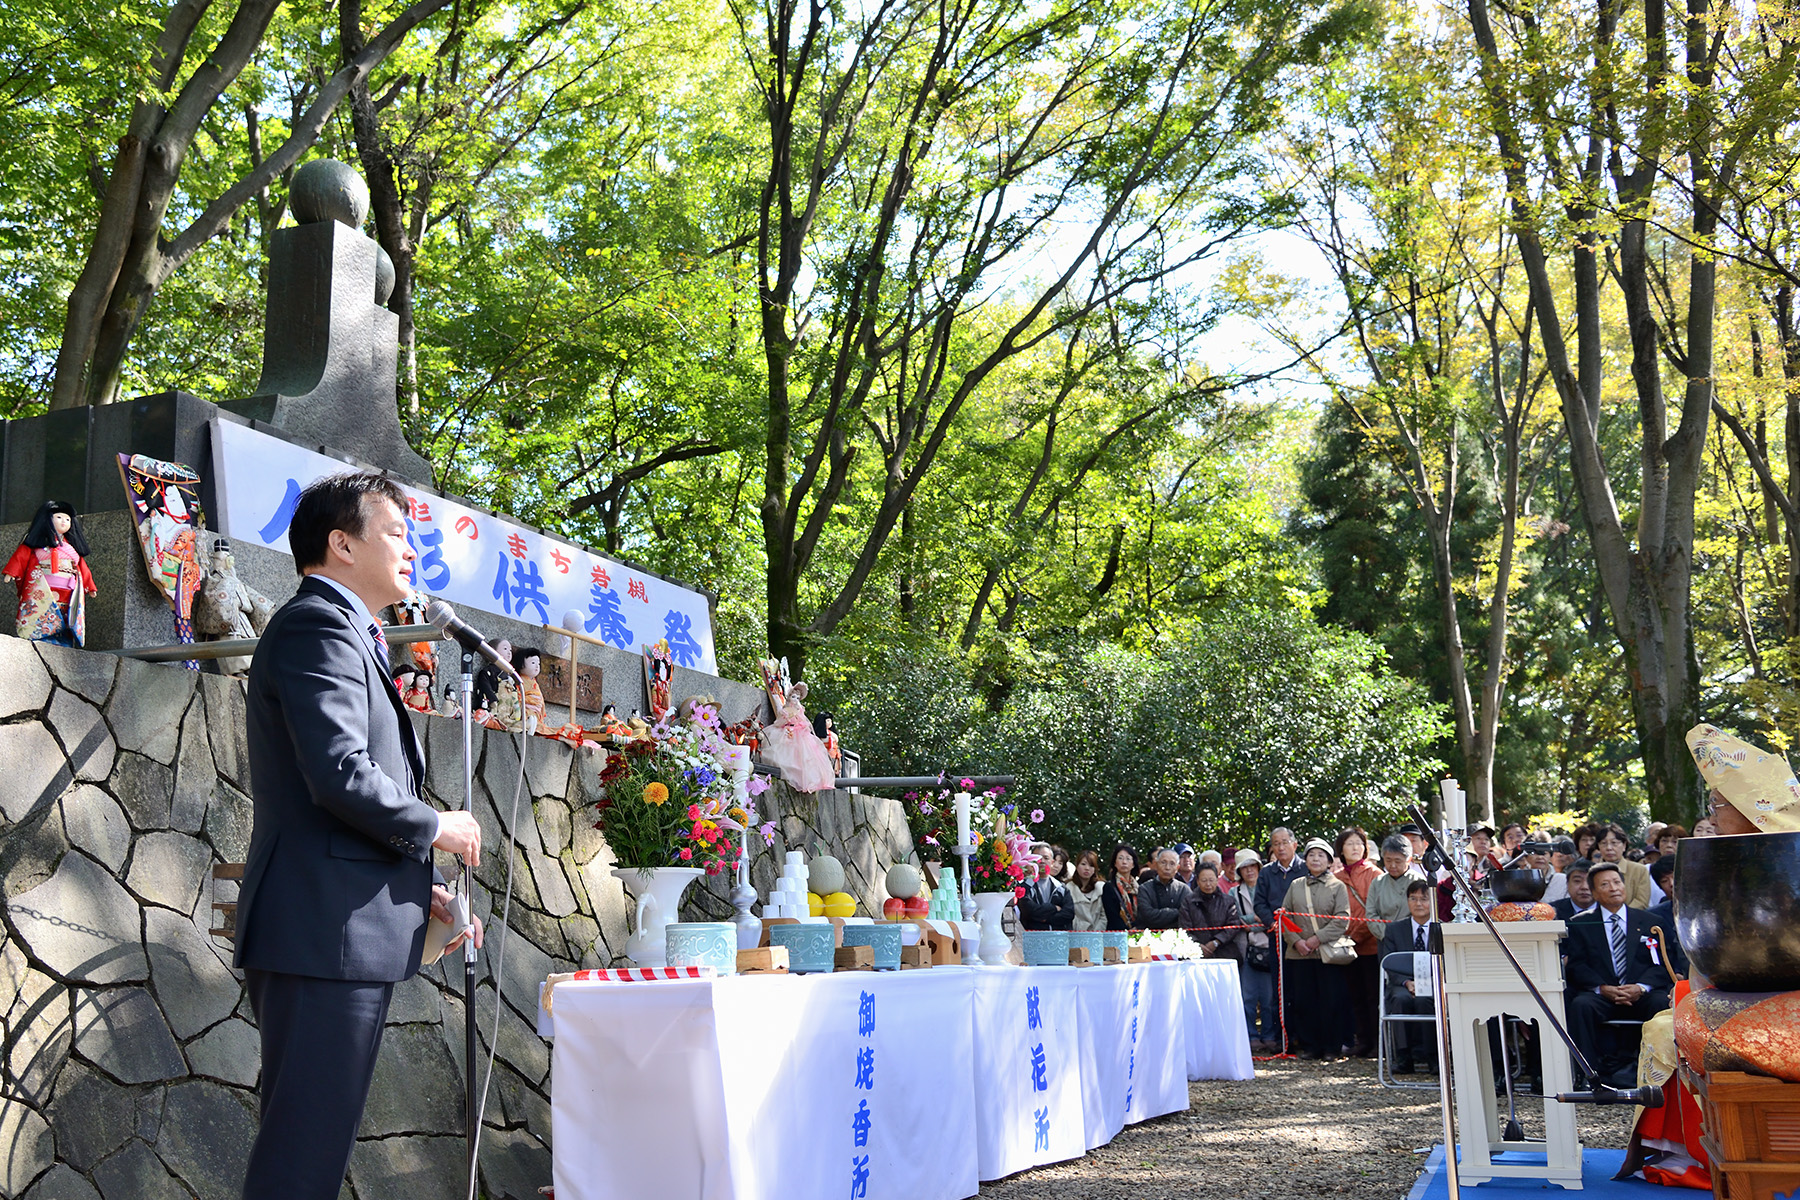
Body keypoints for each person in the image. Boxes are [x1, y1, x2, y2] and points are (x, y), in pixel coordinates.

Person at [235, 473, 483, 1200]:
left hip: (338, 927)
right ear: (341, 545)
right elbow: (340, 773)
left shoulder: (353, 631)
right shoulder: (317, 624)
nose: (412, 548)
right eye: (396, 533)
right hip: (321, 933)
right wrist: (436, 825)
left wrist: (417, 884)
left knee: (313, 1148)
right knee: (301, 1157)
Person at [1564, 862, 1672, 1085]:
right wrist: (1602, 988)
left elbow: (1663, 964)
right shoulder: (1581, 924)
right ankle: (1588, 1075)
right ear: (1594, 893)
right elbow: (1577, 966)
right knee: (1581, 1006)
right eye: (1604, 884)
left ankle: (1660, 1074)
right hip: (1603, 993)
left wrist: (1641, 987)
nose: (1613, 888)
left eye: (1617, 882)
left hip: (1641, 992)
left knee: (1662, 1002)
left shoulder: (1651, 922)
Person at [1281, 838, 1353, 1060]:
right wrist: (1297, 941)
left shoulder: (1338, 886)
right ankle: (1310, 1045)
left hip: (1327, 953)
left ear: (1330, 861)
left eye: (1321, 855)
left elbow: (1342, 919)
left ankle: (1332, 1047)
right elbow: (1284, 916)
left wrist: (1316, 939)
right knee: (1304, 1000)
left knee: (1330, 999)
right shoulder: (1295, 885)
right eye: (1312, 855)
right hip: (1299, 953)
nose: (1315, 859)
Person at [4, 500, 98, 647]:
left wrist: (90, 586)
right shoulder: (37, 542)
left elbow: (82, 568)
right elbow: (21, 557)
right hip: (44, 587)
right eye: (59, 517)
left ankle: (64, 641)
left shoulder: (71, 546)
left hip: (68, 590)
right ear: (48, 519)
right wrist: (11, 572)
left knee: (66, 616)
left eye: (67, 519)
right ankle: (40, 638)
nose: (64, 522)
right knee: (43, 610)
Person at [1378, 879, 1440, 1074]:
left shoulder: (1442, 929)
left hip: (1433, 982)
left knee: (1426, 1001)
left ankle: (1434, 1057)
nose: (1418, 903)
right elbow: (1388, 963)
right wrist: (1407, 982)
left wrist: (1428, 982)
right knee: (1399, 1000)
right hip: (1402, 984)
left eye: (1424, 899)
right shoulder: (1395, 929)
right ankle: (1403, 1057)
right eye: (1413, 898)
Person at [1335, 826, 1381, 1058]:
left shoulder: (1374, 874)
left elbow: (1374, 910)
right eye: (1350, 843)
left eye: (1359, 843)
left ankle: (1377, 1042)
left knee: (1374, 995)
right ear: (1341, 849)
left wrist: (1356, 935)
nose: (1355, 847)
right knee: (1354, 995)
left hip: (1370, 944)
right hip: (1344, 946)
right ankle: (1362, 1041)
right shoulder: (1336, 878)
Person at [1231, 850, 1278, 1052]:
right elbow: (1237, 920)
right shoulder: (1234, 893)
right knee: (1248, 996)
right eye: (1244, 867)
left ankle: (1269, 1034)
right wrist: (1259, 920)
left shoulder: (1268, 887)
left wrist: (1255, 920)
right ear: (1239, 871)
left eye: (1252, 866)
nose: (1249, 871)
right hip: (1247, 949)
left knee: (1269, 998)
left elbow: (1272, 917)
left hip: (1270, 946)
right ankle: (1250, 1035)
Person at [1180, 863, 1243, 961]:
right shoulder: (1188, 902)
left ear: (1217, 880)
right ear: (1198, 881)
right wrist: (1197, 945)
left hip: (1224, 952)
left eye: (1211, 880)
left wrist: (1217, 941)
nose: (1208, 884)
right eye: (1204, 880)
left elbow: (1233, 925)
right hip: (1195, 954)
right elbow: (1184, 929)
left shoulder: (1228, 901)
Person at [1364, 834, 1415, 941]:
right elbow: (1371, 914)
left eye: (1397, 861)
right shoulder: (1377, 882)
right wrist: (1386, 934)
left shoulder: (1418, 882)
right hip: (1384, 938)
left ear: (1408, 859)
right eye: (1388, 860)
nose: (1392, 865)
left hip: (1411, 938)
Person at [1643, 857, 1688, 979]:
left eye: (1675, 876)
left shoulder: (1710, 911)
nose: (1671, 884)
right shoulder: (1653, 916)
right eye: (1664, 881)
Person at [1595, 823, 1653, 909]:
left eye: (1614, 843)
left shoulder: (1639, 870)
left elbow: (1641, 901)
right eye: (1603, 843)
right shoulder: (1591, 871)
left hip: (1631, 919)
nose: (1609, 848)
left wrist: (1621, 915)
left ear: (1624, 846)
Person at [1019, 843, 1074, 930]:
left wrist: (1045, 919)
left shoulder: (1061, 888)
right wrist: (1054, 908)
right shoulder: (1025, 887)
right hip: (1032, 937)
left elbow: (1068, 914)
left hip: (1058, 938)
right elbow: (1029, 912)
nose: (1042, 861)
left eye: (1046, 858)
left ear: (1052, 862)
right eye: (1038, 858)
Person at [1135, 848, 1191, 929]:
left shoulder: (1184, 889)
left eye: (1172, 864)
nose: (1167, 867)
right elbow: (1148, 916)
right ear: (1156, 865)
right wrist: (1177, 912)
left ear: (1177, 868)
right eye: (1163, 863)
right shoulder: (1144, 888)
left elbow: (1188, 915)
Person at [1103, 845, 1140, 931]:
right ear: (1115, 863)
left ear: (1133, 864)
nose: (1124, 862)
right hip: (1117, 933)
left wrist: (1137, 927)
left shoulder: (1139, 887)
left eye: (1128, 859)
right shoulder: (1109, 886)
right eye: (1120, 858)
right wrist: (1127, 930)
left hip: (1137, 932)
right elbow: (1112, 914)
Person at [1069, 850, 1108, 932]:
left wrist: (1095, 933)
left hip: (1098, 935)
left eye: (1091, 865)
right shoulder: (1068, 888)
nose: (1087, 868)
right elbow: (1069, 915)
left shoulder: (1102, 888)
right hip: (1076, 935)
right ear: (1077, 866)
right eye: (1083, 864)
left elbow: (1104, 916)